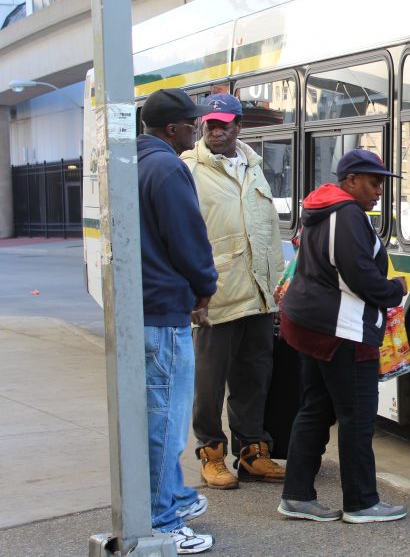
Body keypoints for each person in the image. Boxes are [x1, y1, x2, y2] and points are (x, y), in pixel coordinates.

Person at [275, 148, 409, 523]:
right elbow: (359, 275)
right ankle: (361, 502)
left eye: (381, 182)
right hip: (342, 329)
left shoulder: (320, 208)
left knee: (315, 409)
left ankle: (298, 495)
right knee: (357, 416)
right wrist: (393, 289)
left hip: (310, 324)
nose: (378, 190)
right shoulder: (347, 213)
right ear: (350, 181)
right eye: (372, 181)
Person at [180, 93, 287, 490]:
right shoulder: (188, 168)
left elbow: (267, 231)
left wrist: (279, 289)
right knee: (208, 383)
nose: (216, 130)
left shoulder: (254, 167)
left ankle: (252, 452)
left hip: (259, 296)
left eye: (224, 123)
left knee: (254, 377)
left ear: (239, 126)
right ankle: (211, 453)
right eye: (210, 123)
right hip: (215, 297)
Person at [137, 88, 219, 554]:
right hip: (165, 313)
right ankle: (163, 524)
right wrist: (205, 288)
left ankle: (177, 497)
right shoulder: (169, 167)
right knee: (166, 425)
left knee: (157, 419)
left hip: (145, 308)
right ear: (173, 129)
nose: (199, 130)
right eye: (194, 123)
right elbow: (189, 241)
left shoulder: (135, 162)